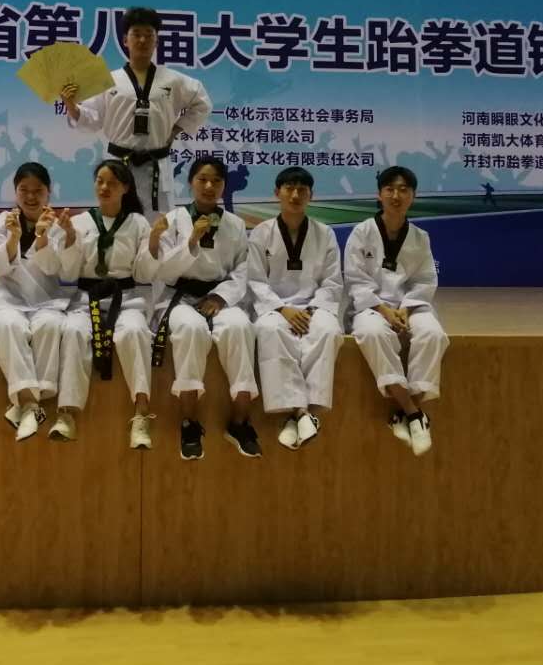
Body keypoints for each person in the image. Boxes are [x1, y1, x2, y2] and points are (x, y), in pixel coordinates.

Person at [147, 155, 260, 460]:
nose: (209, 186)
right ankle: (189, 422)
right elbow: (165, 270)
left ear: (224, 186)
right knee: (190, 328)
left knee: (240, 327)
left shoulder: (235, 224)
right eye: (202, 180)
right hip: (180, 296)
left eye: (216, 181)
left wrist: (221, 298)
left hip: (219, 297)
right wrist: (192, 242)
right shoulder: (174, 220)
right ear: (191, 183)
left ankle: (240, 421)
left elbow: (242, 269)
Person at [58, 6, 212, 217]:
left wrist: (176, 129)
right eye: (136, 34)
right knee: (116, 220)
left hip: (156, 165)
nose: (142, 40)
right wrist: (71, 105)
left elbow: (202, 103)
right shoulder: (108, 80)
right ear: (125, 40)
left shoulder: (173, 80)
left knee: (159, 224)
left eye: (149, 35)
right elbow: (91, 118)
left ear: (157, 41)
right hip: (118, 164)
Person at [344, 166, 448, 456]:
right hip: (372, 307)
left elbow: (425, 280)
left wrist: (405, 308)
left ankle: (403, 413)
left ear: (413, 195)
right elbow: (355, 279)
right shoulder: (362, 232)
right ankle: (414, 414)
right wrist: (383, 309)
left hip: (408, 307)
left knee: (433, 334)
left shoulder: (420, 237)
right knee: (373, 333)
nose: (396, 196)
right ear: (379, 194)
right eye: (390, 189)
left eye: (403, 190)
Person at [54, 159, 157, 448]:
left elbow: (143, 274)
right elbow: (68, 272)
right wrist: (70, 239)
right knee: (73, 331)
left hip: (126, 300)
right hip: (86, 298)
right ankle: (66, 414)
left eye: (112, 183)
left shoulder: (138, 223)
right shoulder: (79, 222)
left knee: (135, 332)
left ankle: (141, 415)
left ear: (125, 188)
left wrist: (154, 243)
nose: (104, 187)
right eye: (100, 181)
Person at [247, 166, 345, 451]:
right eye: (289, 188)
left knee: (328, 330)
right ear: (277, 193)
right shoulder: (261, 233)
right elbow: (255, 280)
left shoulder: (325, 234)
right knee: (270, 330)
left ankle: (298, 416)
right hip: (275, 309)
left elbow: (332, 281)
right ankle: (304, 414)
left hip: (314, 307)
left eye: (302, 190)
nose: (295, 195)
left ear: (311, 196)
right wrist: (282, 309)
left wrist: (311, 310)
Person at [0, 162, 71, 441]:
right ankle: (31, 405)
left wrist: (42, 236)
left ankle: (25, 406)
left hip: (46, 300)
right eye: (24, 190)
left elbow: (53, 268)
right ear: (15, 191)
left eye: (38, 190)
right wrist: (13, 238)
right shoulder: (2, 222)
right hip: (8, 300)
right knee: (5, 325)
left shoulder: (56, 224)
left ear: (48, 192)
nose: (31, 197)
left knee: (50, 325)